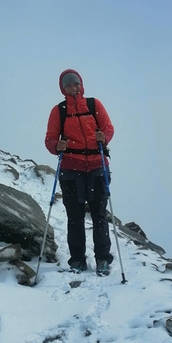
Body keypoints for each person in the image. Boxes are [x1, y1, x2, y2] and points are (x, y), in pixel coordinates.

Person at [45, 69, 114, 275]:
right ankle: (77, 260)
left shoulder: (94, 105)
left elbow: (108, 128)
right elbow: (49, 140)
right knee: (74, 216)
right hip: (71, 169)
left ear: (81, 85)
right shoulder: (59, 111)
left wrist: (105, 137)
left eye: (75, 84)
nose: (73, 89)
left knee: (99, 215)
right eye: (68, 86)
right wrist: (58, 146)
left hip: (97, 165)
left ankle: (102, 258)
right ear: (63, 89)